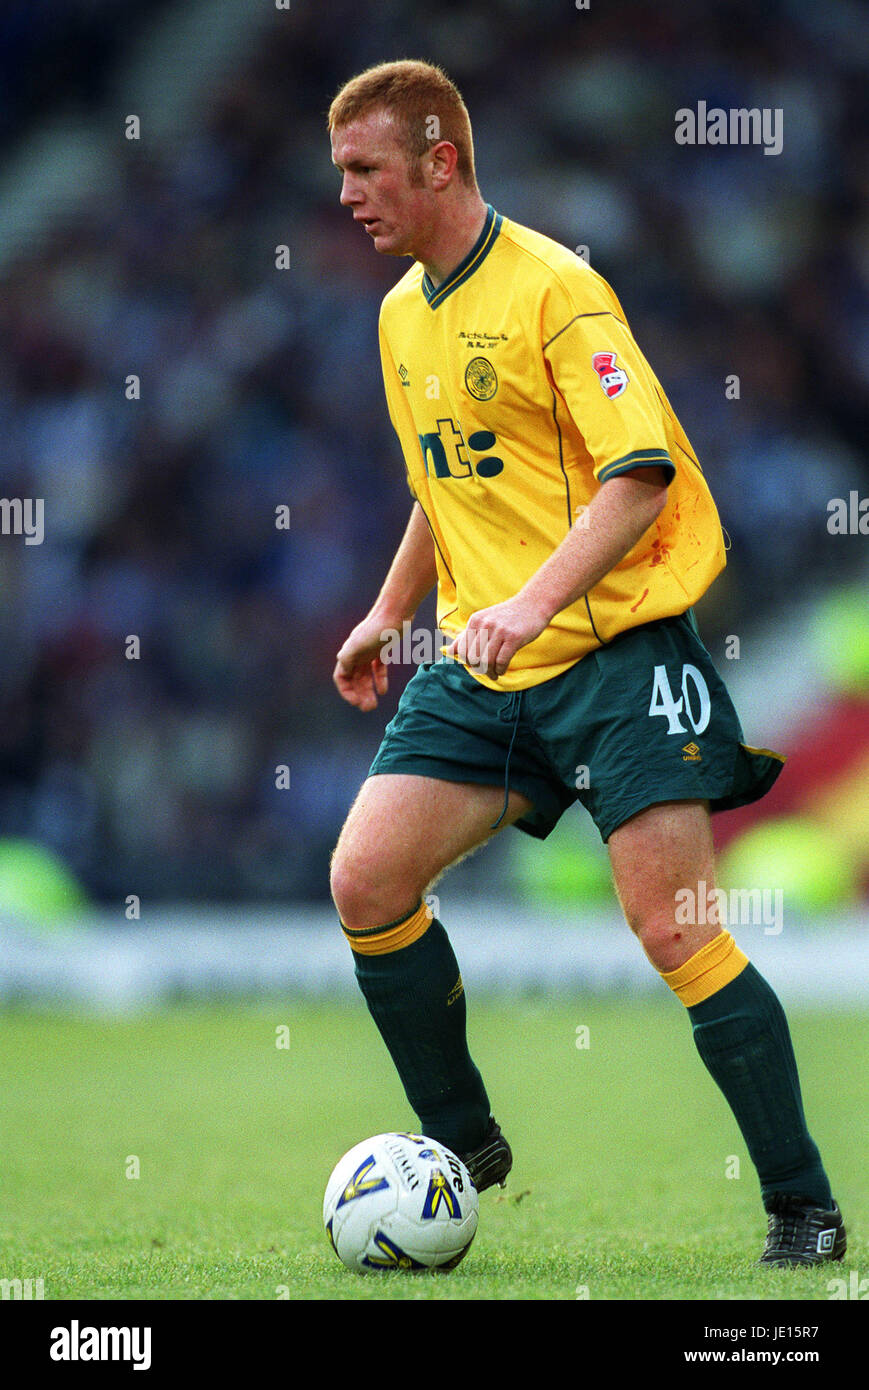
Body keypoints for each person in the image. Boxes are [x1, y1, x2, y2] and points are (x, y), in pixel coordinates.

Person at [326, 58, 844, 1267]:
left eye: (364, 170)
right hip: (484, 666)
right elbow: (441, 480)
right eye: (339, 171)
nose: (345, 194)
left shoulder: (558, 290)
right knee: (364, 880)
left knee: (672, 930)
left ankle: (800, 1209)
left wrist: (527, 602)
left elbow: (638, 474)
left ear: (438, 161)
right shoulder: (401, 313)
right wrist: (384, 611)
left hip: (611, 656)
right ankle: (461, 1143)